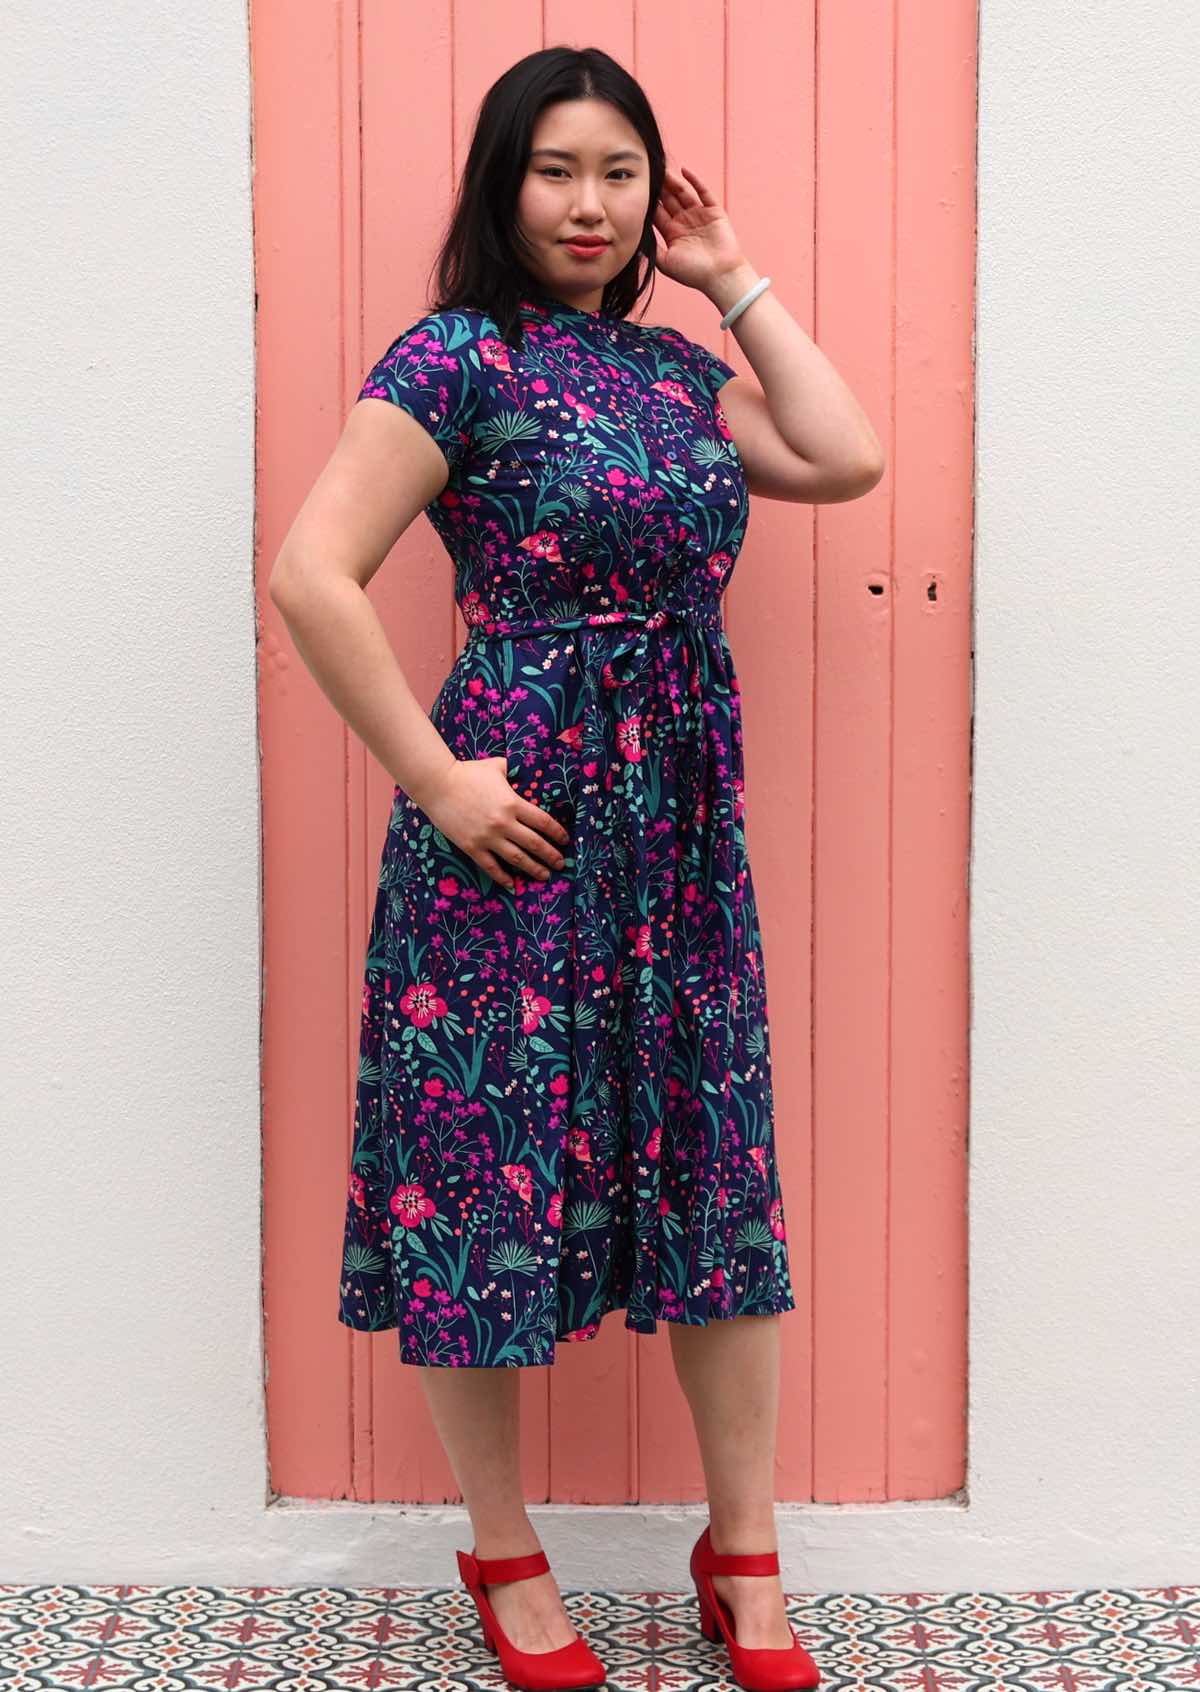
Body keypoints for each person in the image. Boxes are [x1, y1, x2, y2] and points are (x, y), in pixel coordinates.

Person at [270, 43, 883, 1692]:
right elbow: (315, 573)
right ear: (501, 183)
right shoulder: (453, 357)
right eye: (556, 169)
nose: (591, 203)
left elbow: (844, 455)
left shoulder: (681, 374)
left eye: (620, 171)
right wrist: (435, 781)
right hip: (514, 824)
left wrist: (735, 276)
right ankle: (502, 1547)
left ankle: (741, 1550)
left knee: (710, 1161)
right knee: (482, 1175)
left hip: (678, 822)